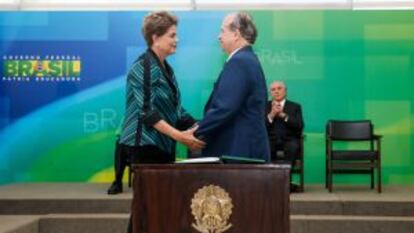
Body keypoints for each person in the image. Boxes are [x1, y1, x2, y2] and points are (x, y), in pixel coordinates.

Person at [111, 11, 205, 232]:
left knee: (156, 207)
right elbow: (148, 113)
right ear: (155, 37)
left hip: (162, 145)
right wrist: (180, 136)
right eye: (172, 35)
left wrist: (201, 126)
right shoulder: (143, 66)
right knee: (145, 207)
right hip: (144, 146)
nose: (177, 39)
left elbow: (176, 111)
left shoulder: (166, 68)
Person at [195, 12, 270, 162]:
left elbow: (225, 107)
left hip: (238, 150)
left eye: (222, 31)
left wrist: (195, 131)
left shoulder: (239, 62)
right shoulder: (248, 59)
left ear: (236, 34)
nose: (219, 36)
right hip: (246, 147)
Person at [266, 81, 304, 191]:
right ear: (270, 92)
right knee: (266, 147)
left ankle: (285, 184)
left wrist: (283, 115)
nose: (276, 91)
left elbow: (299, 126)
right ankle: (271, 184)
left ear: (285, 91)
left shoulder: (295, 106)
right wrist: (272, 115)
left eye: (279, 88)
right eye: (273, 89)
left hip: (289, 139)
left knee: (292, 147)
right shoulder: (265, 106)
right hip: (271, 139)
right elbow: (260, 127)